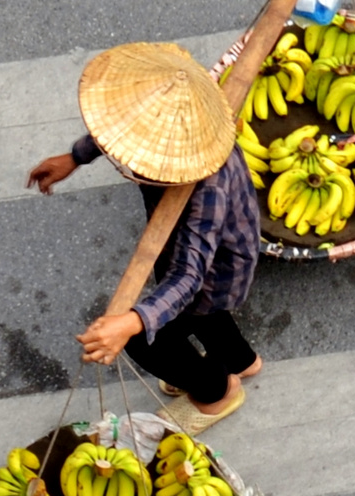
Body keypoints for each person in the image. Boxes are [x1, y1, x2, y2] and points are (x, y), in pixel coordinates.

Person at [25, 43, 264, 436]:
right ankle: (242, 360)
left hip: (214, 267)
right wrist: (75, 157)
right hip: (197, 252)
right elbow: (126, 129)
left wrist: (132, 323)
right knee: (210, 320)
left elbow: (189, 275)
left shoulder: (208, 190)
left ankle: (217, 390)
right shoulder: (188, 115)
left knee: (145, 341)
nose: (131, 160)